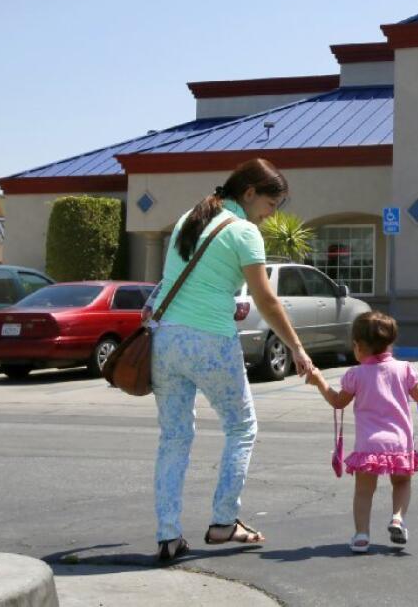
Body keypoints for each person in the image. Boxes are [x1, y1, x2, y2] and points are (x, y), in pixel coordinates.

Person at [145, 158, 314, 563]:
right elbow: (266, 300)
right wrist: (297, 348)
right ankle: (224, 521)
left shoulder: (191, 216)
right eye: (271, 205)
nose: (271, 215)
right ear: (250, 192)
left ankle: (168, 535)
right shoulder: (244, 232)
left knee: (174, 437)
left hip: (166, 339)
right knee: (241, 427)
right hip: (210, 340)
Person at [305, 311, 418, 552]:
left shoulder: (355, 374)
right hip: (399, 443)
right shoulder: (405, 369)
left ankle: (361, 535)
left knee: (364, 491)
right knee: (401, 483)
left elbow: (337, 401)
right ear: (390, 343)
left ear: (357, 346)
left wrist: (320, 382)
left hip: (368, 445)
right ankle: (397, 518)